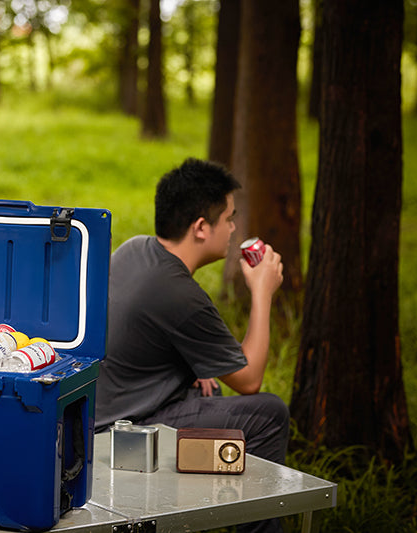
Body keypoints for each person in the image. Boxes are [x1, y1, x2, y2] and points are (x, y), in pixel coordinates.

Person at [94, 158, 289, 533]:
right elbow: (249, 380)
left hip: (102, 412)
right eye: (229, 218)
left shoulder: (137, 249)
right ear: (201, 227)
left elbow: (150, 337)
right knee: (269, 413)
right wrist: (262, 292)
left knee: (207, 382)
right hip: (121, 432)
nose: (233, 229)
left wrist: (192, 372)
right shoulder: (181, 295)